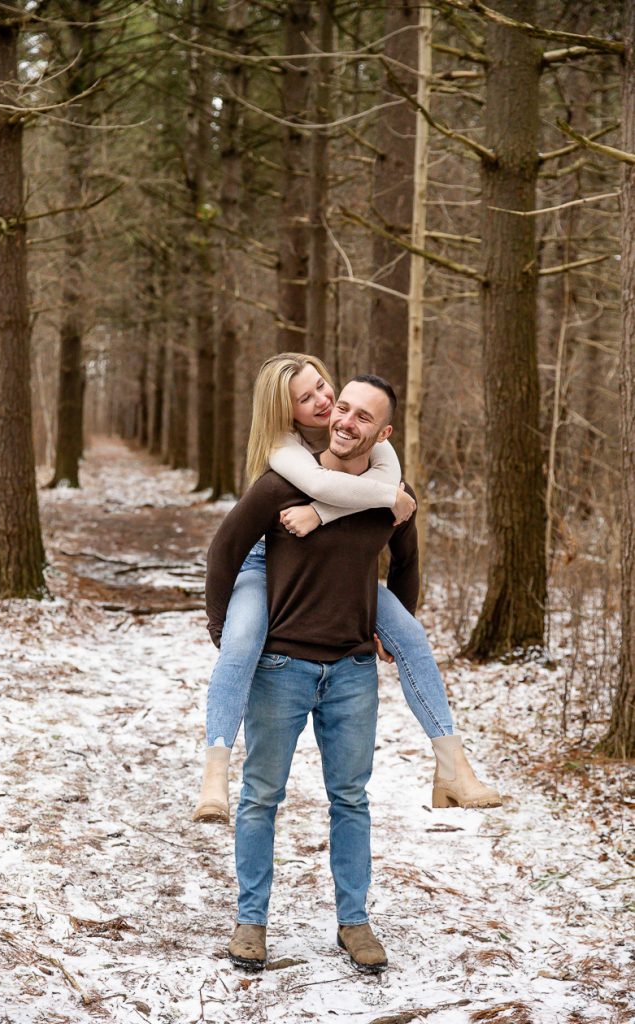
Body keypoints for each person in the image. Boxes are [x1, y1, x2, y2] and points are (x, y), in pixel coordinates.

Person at [194, 353, 500, 824]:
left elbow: (397, 539)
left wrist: (334, 512)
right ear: (285, 410)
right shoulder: (285, 454)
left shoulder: (368, 439)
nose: (324, 400)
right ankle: (215, 772)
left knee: (413, 638)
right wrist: (218, 623)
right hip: (264, 563)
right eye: (306, 397)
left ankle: (452, 767)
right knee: (239, 643)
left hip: (345, 574)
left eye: (322, 386)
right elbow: (317, 488)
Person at [205, 375, 416, 972]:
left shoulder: (386, 494)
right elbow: (225, 551)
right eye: (341, 408)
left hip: (352, 670)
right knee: (261, 798)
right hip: (280, 667)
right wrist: (228, 642)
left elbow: (408, 558)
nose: (346, 421)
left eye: (363, 417)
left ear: (383, 433)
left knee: (350, 799)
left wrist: (391, 627)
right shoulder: (280, 486)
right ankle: (251, 921)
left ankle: (355, 922)